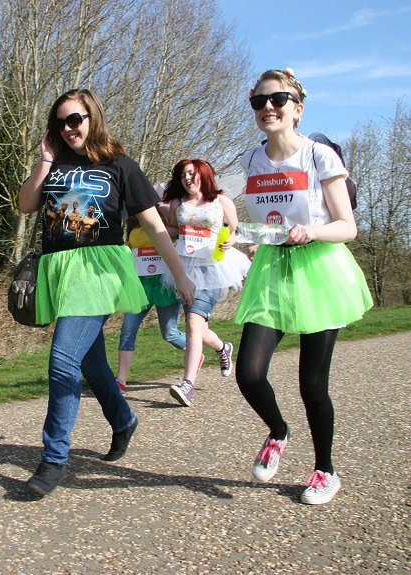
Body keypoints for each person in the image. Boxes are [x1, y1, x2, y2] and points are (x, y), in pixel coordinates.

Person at [19, 88, 195, 496]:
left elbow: (153, 225)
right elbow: (26, 205)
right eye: (60, 122)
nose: (68, 128)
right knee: (92, 364)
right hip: (59, 271)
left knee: (63, 360)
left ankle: (53, 460)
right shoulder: (55, 162)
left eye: (75, 119)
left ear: (92, 118)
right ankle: (124, 420)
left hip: (98, 270)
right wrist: (44, 162)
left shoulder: (119, 165)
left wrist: (180, 275)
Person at [234, 68, 373, 504]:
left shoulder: (319, 157)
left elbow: (347, 227)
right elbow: (260, 220)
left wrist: (311, 230)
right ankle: (278, 431)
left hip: (319, 270)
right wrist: (249, 240)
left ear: (298, 109)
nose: (268, 107)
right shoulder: (249, 161)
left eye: (278, 99)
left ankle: (325, 469)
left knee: (312, 383)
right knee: (249, 373)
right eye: (259, 101)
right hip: (273, 271)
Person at [163, 159, 251, 407]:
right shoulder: (176, 204)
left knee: (193, 323)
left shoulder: (221, 201)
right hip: (185, 268)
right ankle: (223, 348)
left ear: (203, 174)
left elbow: (237, 230)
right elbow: (173, 229)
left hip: (214, 268)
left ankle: (187, 385)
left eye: (191, 174)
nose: (187, 179)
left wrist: (231, 240)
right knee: (198, 328)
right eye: (182, 176)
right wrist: (153, 230)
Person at [116, 190, 191, 394]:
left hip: (164, 284)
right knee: (127, 331)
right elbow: (130, 249)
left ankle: (195, 353)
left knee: (169, 334)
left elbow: (183, 229)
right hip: (140, 285)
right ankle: (121, 380)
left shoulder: (163, 219)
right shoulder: (131, 223)